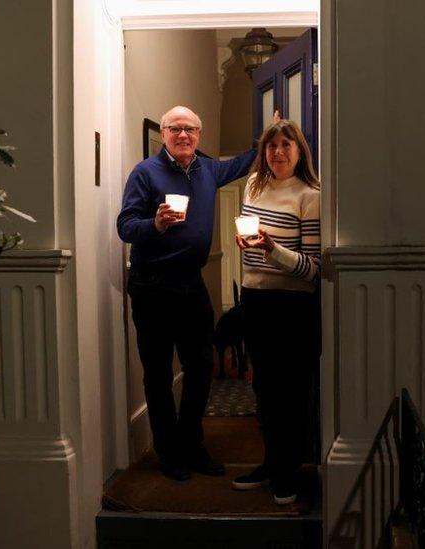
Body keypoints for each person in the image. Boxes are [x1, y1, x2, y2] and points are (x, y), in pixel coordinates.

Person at [116, 105, 257, 481]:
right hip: (152, 285)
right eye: (175, 129)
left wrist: (269, 137)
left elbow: (244, 162)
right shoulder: (145, 173)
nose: (183, 135)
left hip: (191, 283)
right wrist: (155, 223)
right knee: (159, 374)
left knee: (200, 366)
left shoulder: (208, 169)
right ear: (163, 133)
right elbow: (125, 226)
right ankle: (169, 453)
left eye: (190, 129)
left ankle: (192, 444)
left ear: (199, 134)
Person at [230, 120, 320, 505]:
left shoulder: (310, 195)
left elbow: (314, 268)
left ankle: (290, 472)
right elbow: (252, 252)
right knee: (264, 388)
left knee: (292, 392)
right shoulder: (254, 186)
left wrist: (271, 249)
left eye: (286, 145)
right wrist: (247, 245)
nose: (278, 152)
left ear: (299, 151)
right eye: (271, 146)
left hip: (293, 306)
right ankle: (270, 463)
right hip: (255, 299)